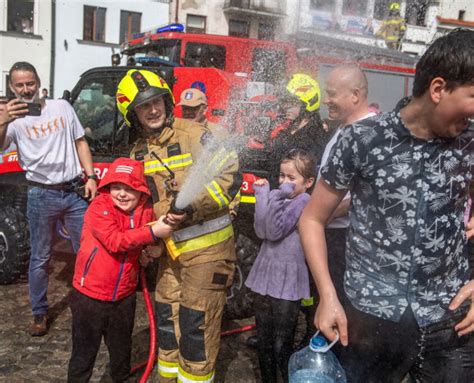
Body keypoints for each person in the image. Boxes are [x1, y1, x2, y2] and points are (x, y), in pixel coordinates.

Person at [300, 29, 474, 382]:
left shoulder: (470, 143)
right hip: (369, 321)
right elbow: (312, 219)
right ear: (438, 89)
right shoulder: (363, 140)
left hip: (450, 323)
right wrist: (327, 297)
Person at [116, 69, 240, 382]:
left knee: (196, 324)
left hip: (208, 250)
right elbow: (141, 203)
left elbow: (228, 178)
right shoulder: (137, 153)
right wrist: (148, 241)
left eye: (156, 101)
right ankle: (167, 376)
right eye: (144, 106)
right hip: (169, 254)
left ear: (167, 101)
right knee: (167, 321)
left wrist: (190, 207)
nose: (153, 110)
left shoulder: (197, 134)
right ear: (133, 114)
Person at [0, 61, 97, 336]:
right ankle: (39, 313)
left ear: (39, 83)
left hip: (75, 190)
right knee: (40, 257)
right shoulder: (13, 119)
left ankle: (86, 306)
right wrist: (5, 118)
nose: (26, 89)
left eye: (30, 83)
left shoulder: (61, 107)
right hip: (40, 193)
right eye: (19, 85)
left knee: (86, 253)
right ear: (11, 87)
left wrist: (91, 177)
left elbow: (81, 141)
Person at [67, 157, 173, 382]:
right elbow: (115, 241)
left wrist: (153, 247)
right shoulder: (99, 206)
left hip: (124, 296)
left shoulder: (146, 208)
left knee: (121, 353)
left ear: (141, 190)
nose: (122, 194)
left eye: (130, 188)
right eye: (116, 187)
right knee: (83, 355)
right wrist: (154, 233)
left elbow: (147, 236)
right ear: (108, 188)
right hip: (90, 296)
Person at [245, 149, 315, 382]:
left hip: (287, 279)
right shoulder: (281, 197)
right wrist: (262, 196)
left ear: (308, 182)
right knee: (264, 339)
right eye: (281, 176)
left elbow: (274, 232)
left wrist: (272, 196)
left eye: (291, 178)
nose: (284, 182)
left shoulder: (303, 201)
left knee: (281, 342)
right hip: (266, 273)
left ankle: (285, 377)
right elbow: (261, 230)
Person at [319, 64, 376, 301]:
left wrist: (323, 213)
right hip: (329, 231)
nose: (325, 100)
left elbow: (372, 192)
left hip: (347, 238)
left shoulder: (372, 133)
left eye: (332, 94)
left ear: (355, 95)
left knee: (341, 304)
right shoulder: (344, 128)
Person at [271, 73, 330, 182]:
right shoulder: (292, 128)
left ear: (308, 103)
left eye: (292, 103)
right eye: (284, 102)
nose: (285, 107)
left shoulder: (315, 137)